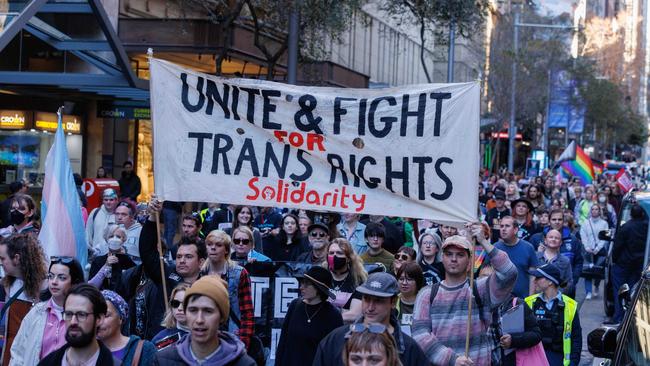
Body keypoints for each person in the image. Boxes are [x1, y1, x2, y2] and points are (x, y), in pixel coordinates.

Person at [411, 226, 517, 366]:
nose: (454, 259)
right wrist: (452, 359)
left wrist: (483, 242)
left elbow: (509, 273)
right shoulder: (426, 294)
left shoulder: (481, 289)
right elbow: (420, 335)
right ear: (442, 258)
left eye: (460, 255)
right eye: (449, 254)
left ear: (469, 261)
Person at [313, 272, 429, 366]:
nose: (370, 307)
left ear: (393, 302)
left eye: (378, 300)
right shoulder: (335, 340)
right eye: (367, 299)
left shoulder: (410, 349)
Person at [156, 276, 256, 365]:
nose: (199, 320)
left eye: (208, 311)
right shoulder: (163, 360)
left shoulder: (244, 363)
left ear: (221, 316)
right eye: (193, 310)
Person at [10, 257, 85, 365]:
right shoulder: (36, 312)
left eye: (62, 278)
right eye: (51, 276)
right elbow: (18, 353)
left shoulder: (83, 316)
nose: (54, 282)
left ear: (74, 283)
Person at [276, 266, 343, 366]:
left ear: (319, 289)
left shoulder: (333, 315)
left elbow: (335, 351)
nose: (301, 287)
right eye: (302, 283)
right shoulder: (295, 305)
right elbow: (283, 341)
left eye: (306, 284)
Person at [38, 284, 120, 365]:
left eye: (81, 314)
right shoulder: (47, 363)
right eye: (69, 314)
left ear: (99, 318)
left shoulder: (114, 364)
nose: (73, 322)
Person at [200, 230, 254, 349]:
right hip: (204, 335)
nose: (213, 248)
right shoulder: (200, 273)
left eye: (218, 245)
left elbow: (247, 313)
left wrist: (243, 344)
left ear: (226, 250)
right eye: (209, 244)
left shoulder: (239, 273)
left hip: (231, 337)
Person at [0, 233, 48, 365]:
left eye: (3, 258)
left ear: (16, 258)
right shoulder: (5, 286)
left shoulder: (46, 290)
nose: (1, 262)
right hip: (8, 354)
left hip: (30, 355)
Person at [526, 263, 582, 366]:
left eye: (538, 277)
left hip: (559, 360)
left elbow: (576, 339)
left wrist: (573, 363)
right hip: (533, 359)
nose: (534, 281)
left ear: (550, 281)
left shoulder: (570, 306)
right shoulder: (528, 303)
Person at [529, 209, 583, 298]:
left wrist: (573, 281)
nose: (557, 222)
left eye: (560, 219)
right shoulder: (536, 238)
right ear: (549, 221)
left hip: (565, 289)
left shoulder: (573, 240)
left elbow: (579, 262)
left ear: (563, 221)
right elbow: (531, 266)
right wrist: (539, 253)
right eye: (554, 219)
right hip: (539, 291)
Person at [97, 290, 157, 365]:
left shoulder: (144, 350)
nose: (98, 321)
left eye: (106, 315)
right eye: (95, 316)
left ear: (121, 318)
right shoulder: (85, 352)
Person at [611, 204, 648, 323]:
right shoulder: (646, 227)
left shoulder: (626, 227)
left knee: (619, 290)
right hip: (639, 264)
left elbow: (617, 246)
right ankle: (631, 317)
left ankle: (619, 317)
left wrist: (615, 260)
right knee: (634, 291)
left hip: (624, 264)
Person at [494, 216, 538, 299]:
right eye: (501, 226)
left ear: (515, 230)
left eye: (507, 226)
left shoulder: (528, 248)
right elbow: (487, 273)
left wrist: (530, 299)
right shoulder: (494, 248)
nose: (503, 229)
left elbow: (533, 276)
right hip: (499, 300)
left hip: (522, 300)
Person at [88, 224, 136, 291]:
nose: (114, 239)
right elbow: (91, 287)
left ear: (124, 239)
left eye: (118, 237)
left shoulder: (128, 262)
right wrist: (106, 266)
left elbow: (132, 286)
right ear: (106, 239)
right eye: (111, 236)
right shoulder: (98, 261)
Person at [327, 238, 368, 312]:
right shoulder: (321, 275)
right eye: (331, 253)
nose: (334, 256)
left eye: (339, 253)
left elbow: (353, 315)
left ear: (348, 258)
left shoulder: (358, 280)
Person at [579, 204, 609, 299]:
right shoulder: (586, 223)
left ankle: (596, 286)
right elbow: (583, 235)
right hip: (588, 249)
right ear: (590, 211)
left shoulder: (604, 223)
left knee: (598, 270)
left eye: (597, 209)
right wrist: (587, 247)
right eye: (593, 209)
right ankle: (588, 291)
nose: (595, 211)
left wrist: (597, 248)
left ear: (599, 211)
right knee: (587, 271)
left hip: (599, 250)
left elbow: (605, 236)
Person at [152, 283, 190, 350]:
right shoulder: (160, 338)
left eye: (185, 303)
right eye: (175, 303)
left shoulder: (207, 336)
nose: (179, 308)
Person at [537, 229, 574, 297]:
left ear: (560, 242)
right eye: (551, 237)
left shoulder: (565, 261)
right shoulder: (535, 258)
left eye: (557, 238)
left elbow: (568, 282)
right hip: (536, 299)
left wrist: (557, 295)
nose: (553, 239)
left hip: (556, 299)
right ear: (545, 240)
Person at [86, 188, 118, 256]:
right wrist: (90, 249)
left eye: (111, 200)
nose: (108, 202)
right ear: (103, 201)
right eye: (106, 200)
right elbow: (88, 233)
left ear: (116, 201)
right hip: (95, 254)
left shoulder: (119, 215)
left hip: (112, 255)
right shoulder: (95, 212)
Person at [396, 262, 424, 336]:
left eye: (409, 279)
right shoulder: (392, 302)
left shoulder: (425, 302)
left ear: (418, 281)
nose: (404, 283)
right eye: (401, 279)